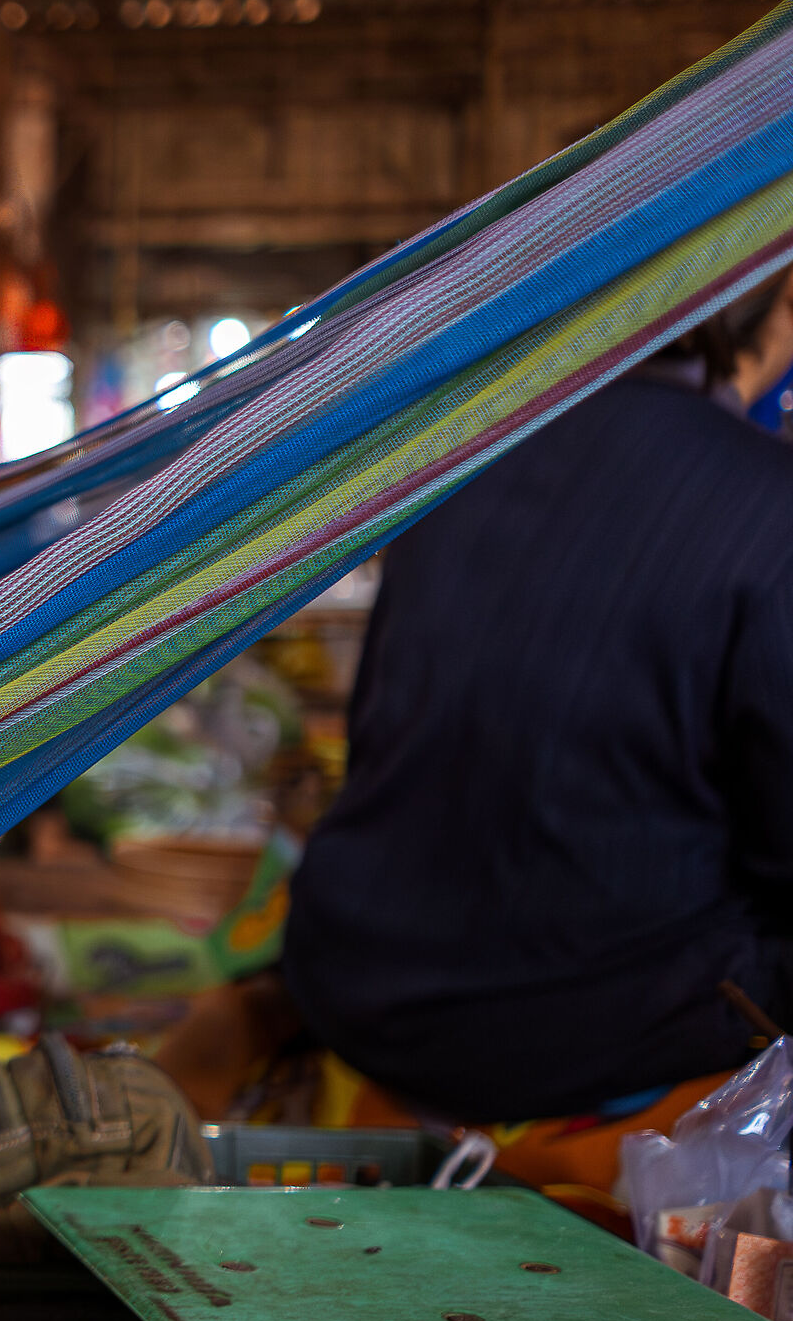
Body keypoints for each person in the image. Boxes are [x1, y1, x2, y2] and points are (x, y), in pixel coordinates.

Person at [269, 268, 793, 1134]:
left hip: (360, 989)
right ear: (781, 305)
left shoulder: (459, 470)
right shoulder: (768, 512)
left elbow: (382, 747)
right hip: (574, 1040)